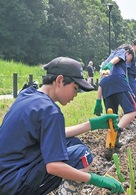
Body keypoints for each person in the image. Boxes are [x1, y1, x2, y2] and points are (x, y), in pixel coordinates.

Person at [0, 57, 124, 194]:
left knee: (72, 143)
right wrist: (95, 179)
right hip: (15, 185)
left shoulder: (28, 95)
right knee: (82, 155)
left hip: (7, 175)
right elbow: (53, 167)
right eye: (75, 88)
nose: (76, 94)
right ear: (59, 80)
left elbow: (55, 134)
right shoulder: (51, 111)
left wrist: (92, 125)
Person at [96, 44, 136, 147]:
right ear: (128, 53)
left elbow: (102, 81)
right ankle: (117, 131)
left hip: (106, 87)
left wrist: (98, 101)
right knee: (133, 111)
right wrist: (110, 64)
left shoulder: (106, 60)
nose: (127, 62)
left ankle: (112, 143)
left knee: (112, 117)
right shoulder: (122, 51)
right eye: (129, 60)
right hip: (118, 81)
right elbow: (119, 57)